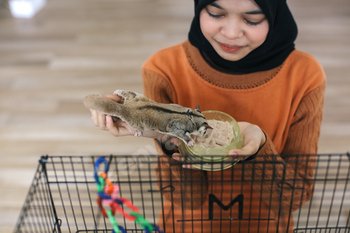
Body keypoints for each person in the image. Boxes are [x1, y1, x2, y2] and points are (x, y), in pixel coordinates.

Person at [89, 0, 326, 232]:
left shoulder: (304, 76)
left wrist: (259, 147)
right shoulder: (163, 69)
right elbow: (184, 200)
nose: (231, 33)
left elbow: (293, 198)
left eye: (252, 19)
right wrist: (171, 142)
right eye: (215, 13)